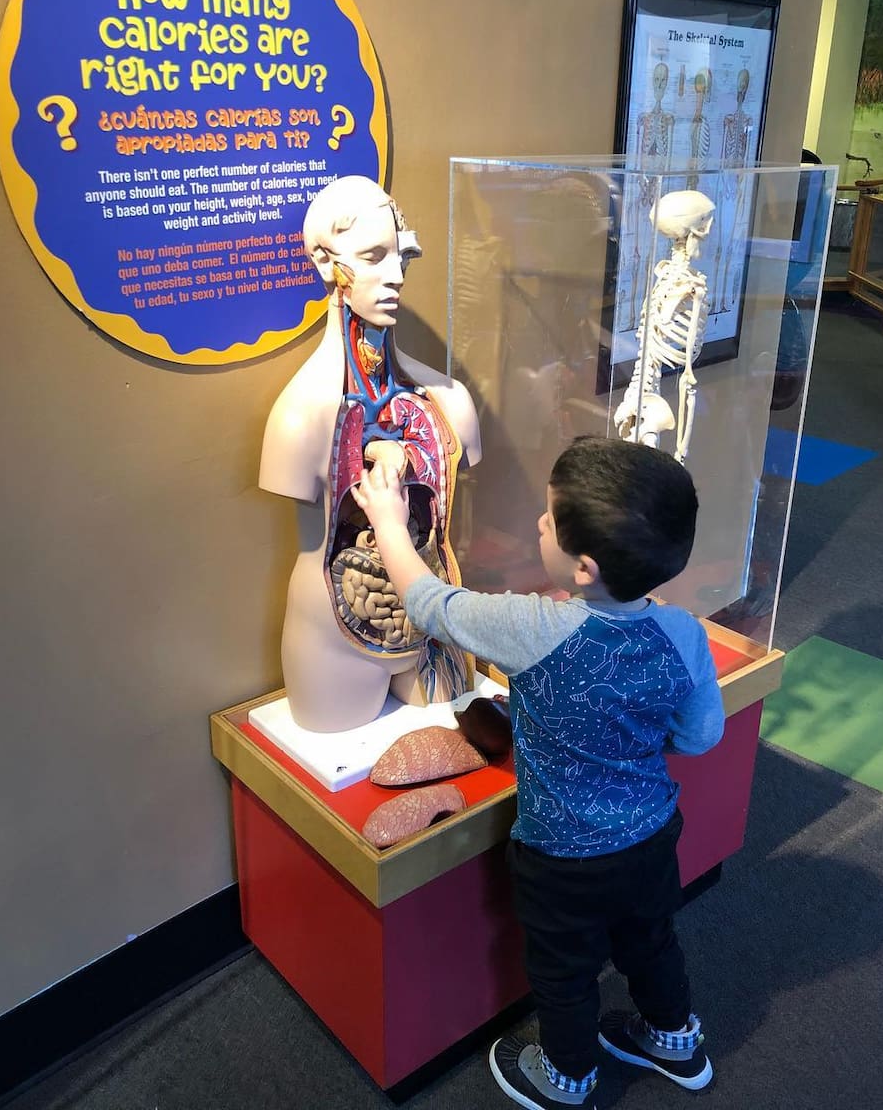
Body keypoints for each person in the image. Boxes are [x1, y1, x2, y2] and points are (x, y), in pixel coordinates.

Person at [352, 435, 724, 1108]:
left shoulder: (532, 628)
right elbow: (700, 736)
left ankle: (566, 1080)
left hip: (562, 857)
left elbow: (430, 604)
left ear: (583, 568)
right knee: (651, 941)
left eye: (549, 518)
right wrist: (627, 736)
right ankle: (675, 1041)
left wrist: (386, 521)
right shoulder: (684, 632)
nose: (539, 523)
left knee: (564, 972)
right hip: (650, 835)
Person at [259, 176, 481, 732]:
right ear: (325, 262)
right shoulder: (300, 418)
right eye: (374, 257)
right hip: (332, 639)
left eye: (401, 256)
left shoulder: (449, 401)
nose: (397, 275)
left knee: (461, 754)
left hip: (435, 625)